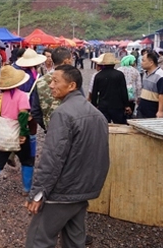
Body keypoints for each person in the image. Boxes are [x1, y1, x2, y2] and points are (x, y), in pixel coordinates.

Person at [25, 65, 109, 248]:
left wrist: (39, 192)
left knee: (38, 240)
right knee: (74, 241)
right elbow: (101, 156)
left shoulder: (63, 113)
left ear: (71, 85)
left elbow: (53, 157)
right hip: (83, 191)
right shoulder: (98, 115)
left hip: (62, 192)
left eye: (55, 81)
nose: (51, 85)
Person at [0, 65, 34, 199]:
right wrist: (23, 133)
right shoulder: (22, 96)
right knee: (27, 160)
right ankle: (26, 189)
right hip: (18, 133)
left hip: (3, 134)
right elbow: (22, 116)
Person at [30, 48, 73, 132]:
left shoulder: (40, 81)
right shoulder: (72, 79)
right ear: (66, 61)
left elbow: (35, 111)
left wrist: (47, 126)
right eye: (71, 59)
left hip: (51, 129)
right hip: (71, 128)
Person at [90, 53, 131, 124]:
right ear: (114, 64)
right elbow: (124, 91)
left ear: (103, 64)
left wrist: (94, 105)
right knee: (120, 125)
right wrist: (126, 105)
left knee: (104, 125)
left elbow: (94, 93)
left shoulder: (98, 76)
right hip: (117, 105)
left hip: (103, 105)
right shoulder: (119, 74)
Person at [137, 51, 163, 118]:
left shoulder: (160, 76)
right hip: (142, 107)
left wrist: (160, 111)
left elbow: (162, 95)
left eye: (143, 61)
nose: (141, 63)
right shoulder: (145, 73)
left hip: (153, 108)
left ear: (151, 63)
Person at [117, 55, 141, 119]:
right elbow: (138, 85)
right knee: (130, 112)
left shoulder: (119, 70)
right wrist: (139, 97)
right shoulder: (136, 71)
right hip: (132, 95)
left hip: (120, 96)